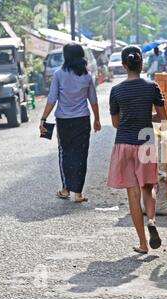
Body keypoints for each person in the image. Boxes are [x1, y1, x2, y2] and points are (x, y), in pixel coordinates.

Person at [108, 45, 167, 254]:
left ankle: (143, 244)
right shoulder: (152, 87)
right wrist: (145, 117)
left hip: (124, 143)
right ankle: (151, 220)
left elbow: (116, 123)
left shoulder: (116, 91)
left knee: (132, 194)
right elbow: (163, 117)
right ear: (142, 63)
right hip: (146, 141)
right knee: (148, 187)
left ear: (124, 65)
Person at [39, 43, 101, 203]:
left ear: (66, 56)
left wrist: (43, 118)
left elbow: (52, 98)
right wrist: (97, 119)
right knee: (81, 155)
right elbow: (93, 100)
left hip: (64, 120)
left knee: (65, 153)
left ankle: (66, 189)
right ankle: (78, 194)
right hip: (82, 120)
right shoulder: (86, 76)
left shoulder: (59, 74)